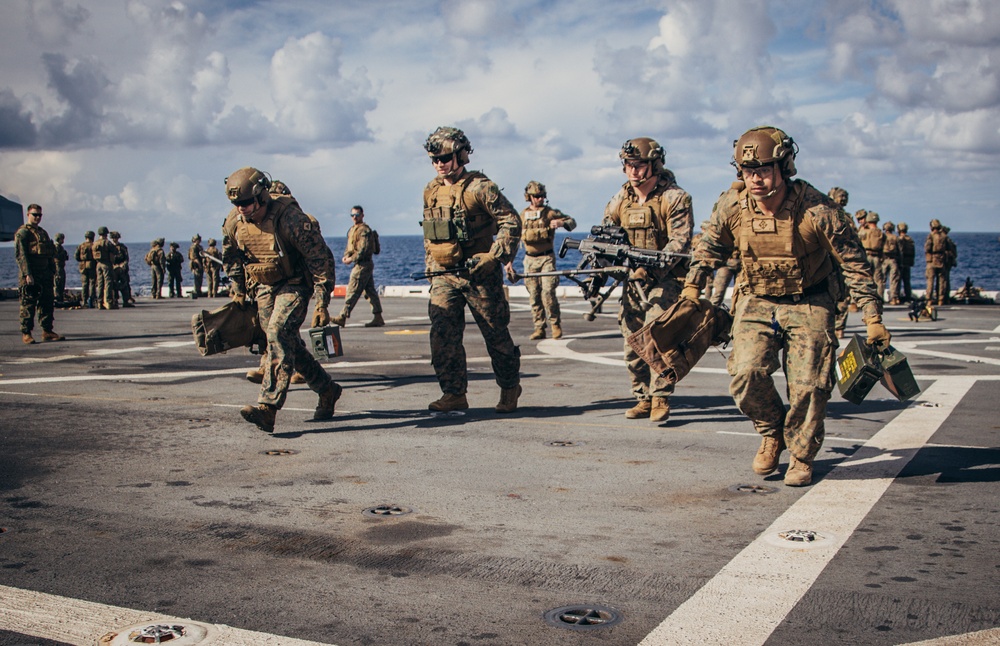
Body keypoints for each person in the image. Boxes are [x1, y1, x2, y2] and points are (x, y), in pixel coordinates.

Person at [681, 125, 889, 487]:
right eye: (748, 172)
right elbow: (708, 247)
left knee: (810, 384)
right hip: (756, 298)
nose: (755, 179)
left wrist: (872, 318)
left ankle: (802, 455)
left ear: (784, 167)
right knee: (745, 375)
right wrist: (690, 288)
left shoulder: (818, 210)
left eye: (763, 170)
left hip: (809, 300)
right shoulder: (732, 205)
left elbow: (854, 263)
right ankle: (771, 431)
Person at [221, 166, 342, 434]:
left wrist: (322, 302)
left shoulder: (291, 219)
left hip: (295, 284)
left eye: (247, 203)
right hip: (264, 285)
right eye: (237, 204)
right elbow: (231, 256)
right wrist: (239, 288)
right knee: (286, 343)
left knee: (277, 332)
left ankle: (268, 408)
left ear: (262, 197)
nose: (242, 209)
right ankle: (327, 389)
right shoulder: (234, 223)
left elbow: (320, 260)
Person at [420, 126, 522, 413]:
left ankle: (509, 386)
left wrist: (494, 256)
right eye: (435, 159)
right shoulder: (431, 190)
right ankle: (454, 393)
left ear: (462, 155)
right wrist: (431, 266)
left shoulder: (481, 188)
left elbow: (511, 222)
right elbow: (430, 233)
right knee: (442, 336)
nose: (440, 164)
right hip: (444, 274)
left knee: (496, 334)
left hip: (480, 274)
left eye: (445, 157)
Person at [602, 137, 693, 423]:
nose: (633, 171)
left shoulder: (675, 197)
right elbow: (607, 231)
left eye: (639, 165)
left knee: (658, 338)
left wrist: (650, 269)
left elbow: (679, 242)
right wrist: (611, 262)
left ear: (654, 165)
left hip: (665, 280)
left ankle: (661, 397)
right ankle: (642, 397)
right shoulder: (621, 198)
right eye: (628, 165)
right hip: (633, 280)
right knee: (631, 340)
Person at [505, 181, 577, 340]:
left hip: (546, 258)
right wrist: (509, 260)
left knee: (548, 292)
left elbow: (572, 222)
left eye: (542, 196)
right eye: (536, 196)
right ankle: (539, 327)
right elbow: (515, 239)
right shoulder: (522, 216)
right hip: (530, 260)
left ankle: (555, 324)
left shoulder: (550, 213)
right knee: (534, 295)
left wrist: (561, 222)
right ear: (529, 197)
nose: (540, 199)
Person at [15, 204, 64, 344]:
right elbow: (21, 256)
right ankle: (26, 332)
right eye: (34, 215)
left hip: (45, 274)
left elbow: (49, 254)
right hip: (31, 274)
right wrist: (27, 274)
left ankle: (47, 330)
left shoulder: (42, 233)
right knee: (28, 303)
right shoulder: (23, 233)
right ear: (28, 215)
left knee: (47, 302)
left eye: (39, 215)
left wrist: (52, 271)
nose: (37, 218)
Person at [331, 205, 384, 328]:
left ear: (362, 215)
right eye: (352, 215)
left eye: (357, 215)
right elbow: (350, 246)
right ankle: (378, 316)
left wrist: (351, 258)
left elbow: (363, 250)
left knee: (352, 290)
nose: (355, 217)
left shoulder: (364, 231)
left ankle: (342, 316)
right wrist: (346, 256)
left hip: (363, 264)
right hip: (360, 264)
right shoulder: (352, 230)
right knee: (370, 291)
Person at [828, 187, 851, 338]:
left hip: (834, 261)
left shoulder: (829, 214)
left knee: (838, 296)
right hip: (838, 261)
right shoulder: (843, 216)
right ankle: (838, 327)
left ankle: (837, 327)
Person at [857, 211, 885, 300]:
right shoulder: (880, 233)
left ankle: (862, 300)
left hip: (865, 256)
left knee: (862, 278)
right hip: (876, 257)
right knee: (878, 280)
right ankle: (879, 299)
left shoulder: (863, 232)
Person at [924, 219, 950, 305]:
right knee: (942, 281)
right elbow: (949, 248)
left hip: (932, 260)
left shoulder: (930, 236)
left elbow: (927, 248)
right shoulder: (944, 236)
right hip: (941, 260)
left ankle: (929, 299)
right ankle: (941, 299)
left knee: (930, 281)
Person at [92, 226, 117, 309]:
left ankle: (100, 302)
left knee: (100, 283)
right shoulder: (107, 242)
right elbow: (115, 251)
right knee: (108, 282)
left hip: (98, 264)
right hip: (106, 264)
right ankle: (109, 302)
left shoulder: (95, 243)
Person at [110, 231, 134, 307]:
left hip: (121, 268)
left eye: (116, 238)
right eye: (113, 238)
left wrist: (123, 265)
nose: (115, 239)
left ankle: (126, 301)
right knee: (113, 285)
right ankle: (115, 300)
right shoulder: (109, 247)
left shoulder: (122, 247)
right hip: (113, 268)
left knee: (125, 284)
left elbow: (126, 258)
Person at [881, 221, 901, 305]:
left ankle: (880, 297)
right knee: (894, 280)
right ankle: (894, 298)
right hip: (893, 260)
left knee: (881, 280)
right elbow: (900, 251)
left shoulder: (882, 236)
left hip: (884, 260)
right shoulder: (895, 238)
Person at [75, 230, 97, 308]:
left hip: (83, 266)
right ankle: (92, 300)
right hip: (92, 266)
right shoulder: (94, 245)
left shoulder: (81, 246)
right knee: (92, 283)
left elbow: (76, 256)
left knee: (84, 284)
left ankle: (84, 301)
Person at [897, 222, 915, 301]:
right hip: (907, 262)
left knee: (897, 280)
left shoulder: (900, 239)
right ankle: (908, 296)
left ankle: (896, 297)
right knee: (907, 281)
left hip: (901, 262)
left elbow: (900, 251)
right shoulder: (910, 240)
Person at [53, 232, 69, 304]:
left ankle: (60, 297)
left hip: (61, 266)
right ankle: (57, 297)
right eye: (62, 239)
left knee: (61, 282)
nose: (63, 241)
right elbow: (55, 256)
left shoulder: (60, 247)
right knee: (57, 282)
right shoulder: (56, 247)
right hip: (57, 267)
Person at [188, 234, 204, 299]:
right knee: (197, 278)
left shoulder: (199, 247)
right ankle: (197, 291)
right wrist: (199, 265)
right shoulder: (193, 247)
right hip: (196, 265)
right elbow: (194, 258)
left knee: (200, 278)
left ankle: (199, 290)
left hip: (200, 264)